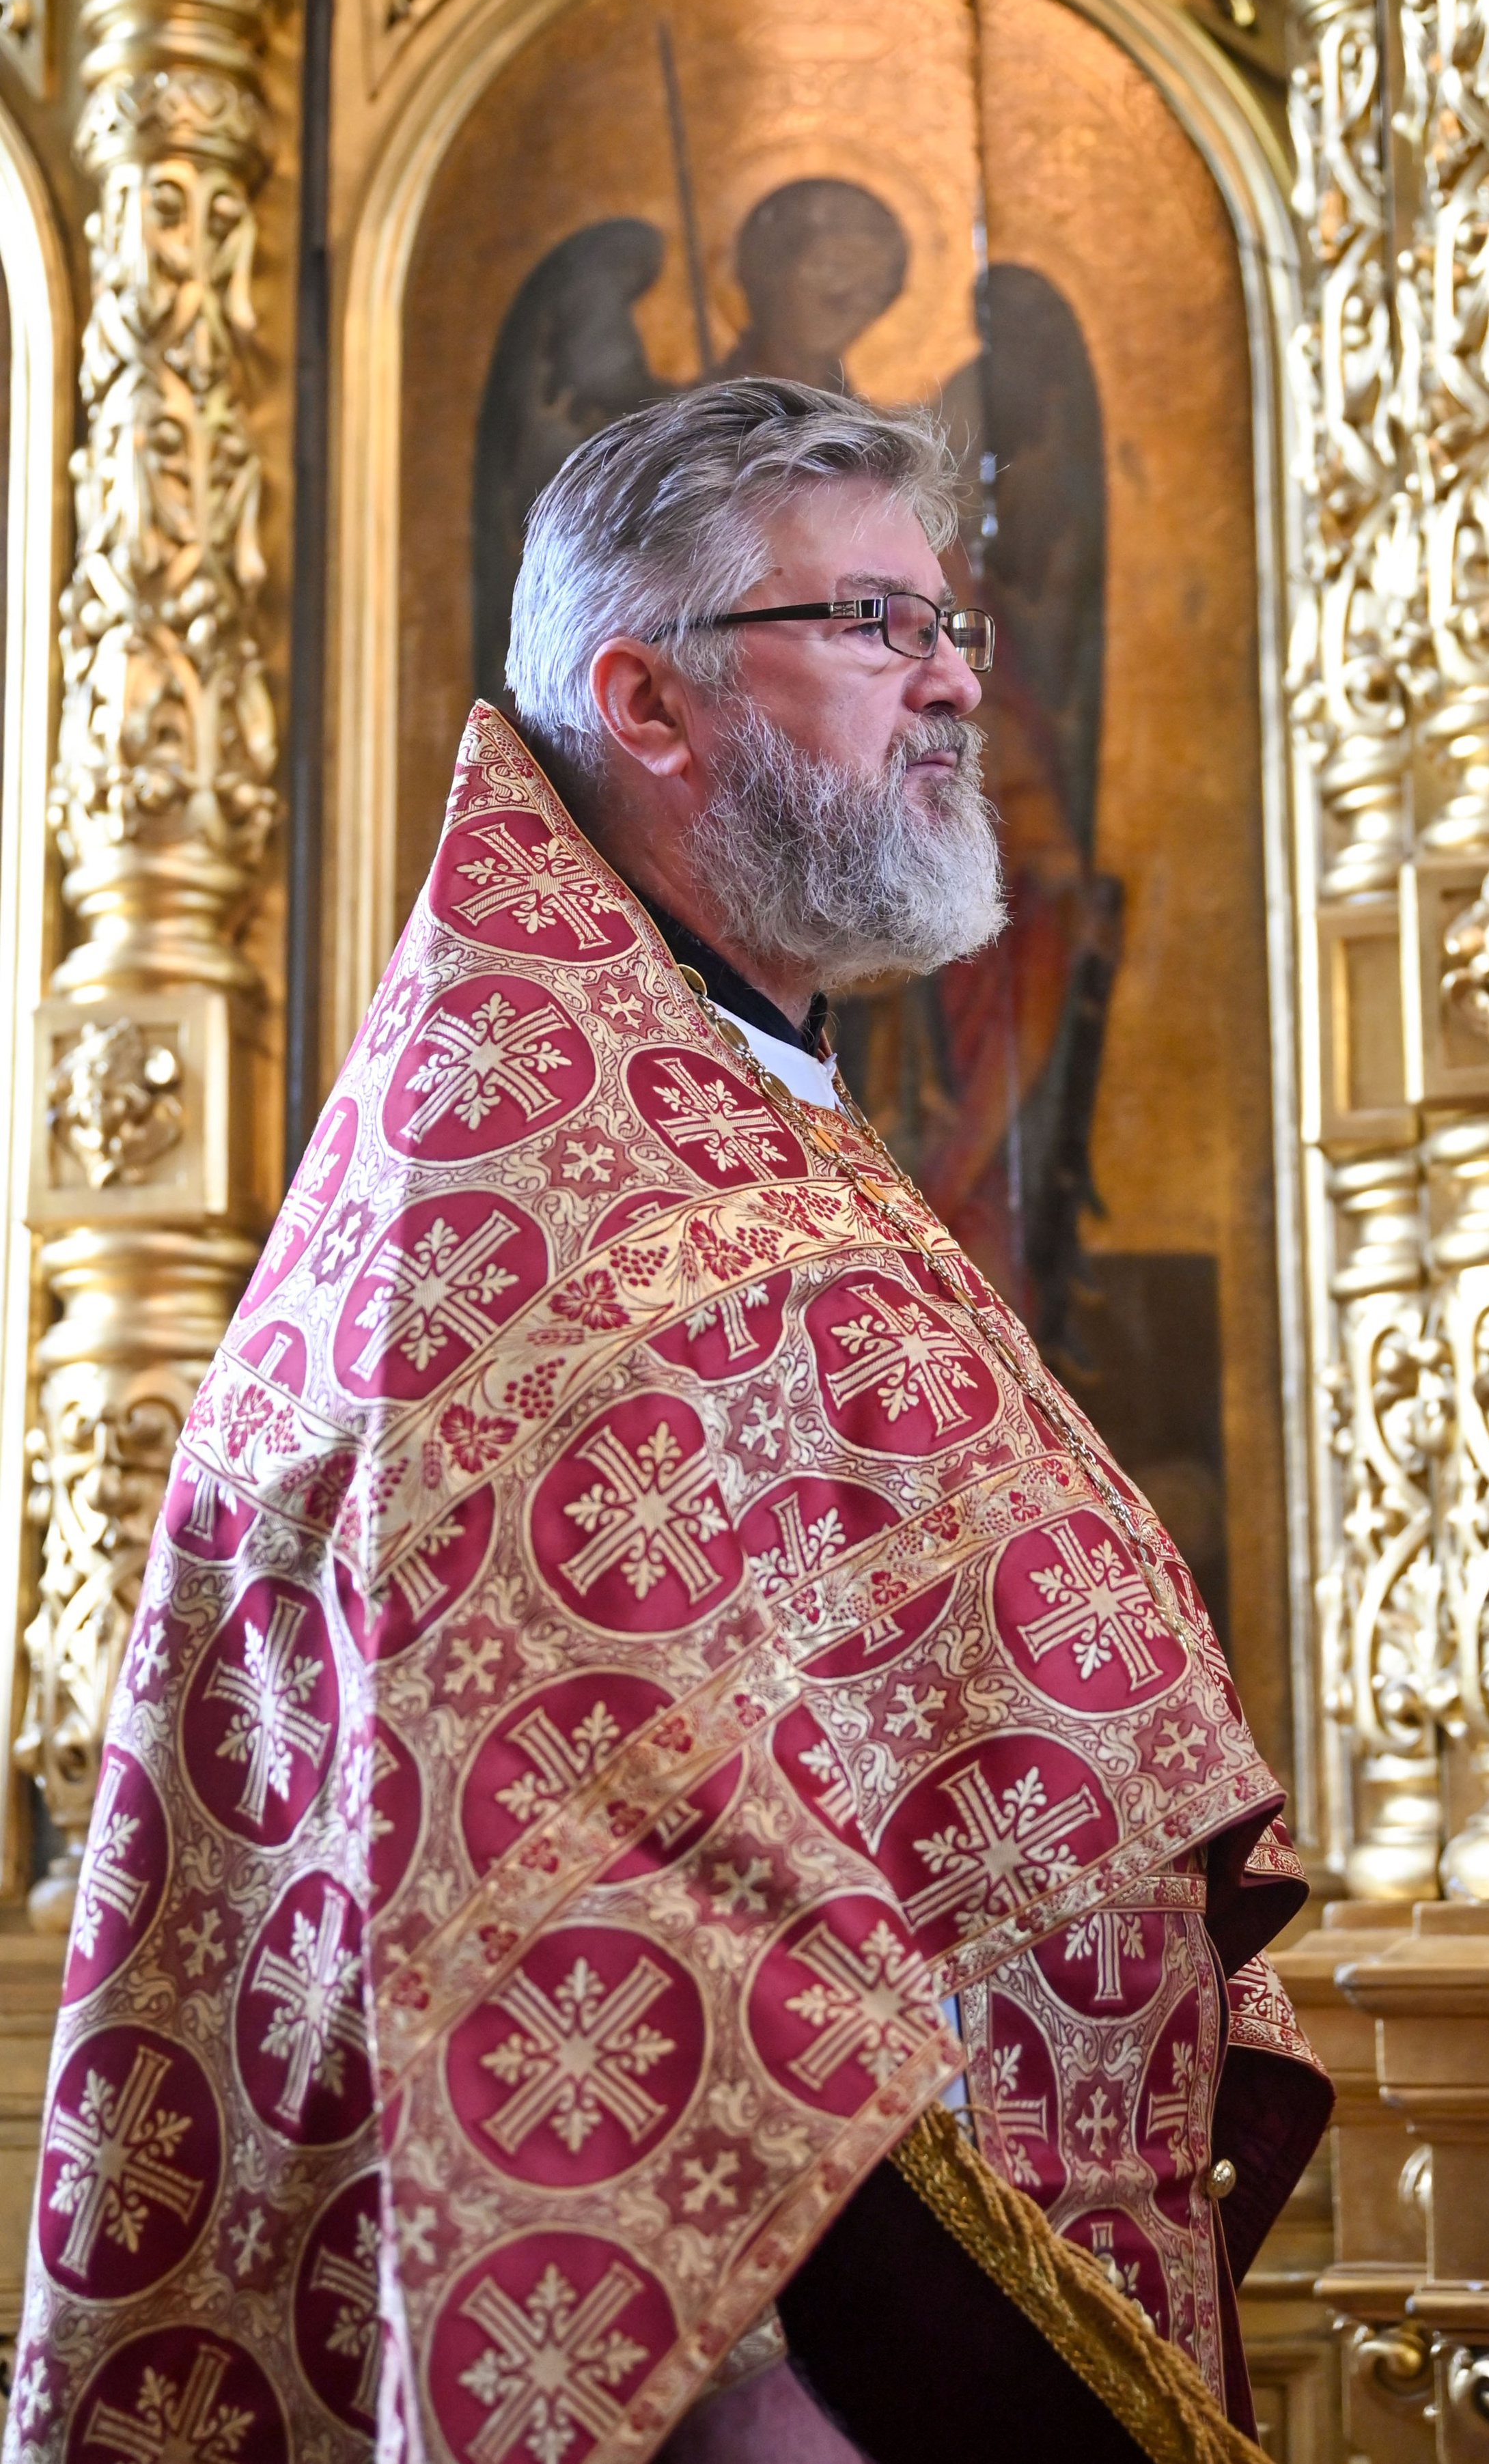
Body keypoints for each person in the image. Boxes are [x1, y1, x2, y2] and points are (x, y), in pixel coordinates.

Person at [8, 380, 1328, 2464]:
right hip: (792, 2364)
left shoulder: (740, 1105)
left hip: (973, 2286)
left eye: (952, 623)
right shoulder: (509, 1182)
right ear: (647, 698)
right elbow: (534, 1832)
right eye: (875, 622)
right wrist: (738, 2386)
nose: (955, 680)